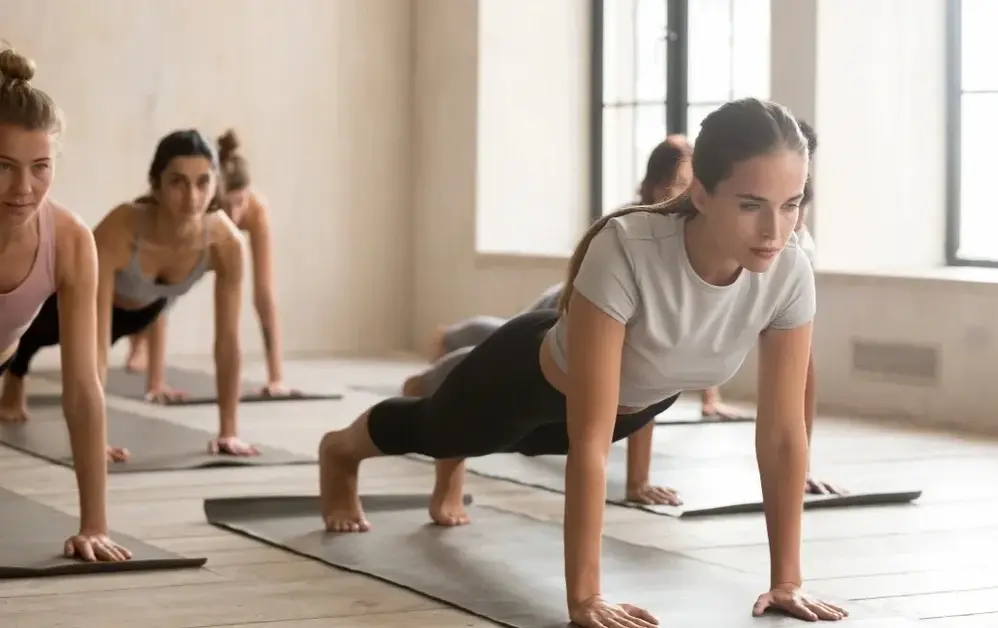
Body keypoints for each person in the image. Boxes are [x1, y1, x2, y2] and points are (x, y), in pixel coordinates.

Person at [318, 97, 847, 625]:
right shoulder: (629, 248)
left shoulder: (789, 273)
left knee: (470, 438)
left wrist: (787, 583)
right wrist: (585, 597)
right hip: (525, 382)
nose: (774, 231)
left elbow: (782, 433)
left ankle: (452, 455)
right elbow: (588, 441)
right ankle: (342, 453)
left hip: (631, 406)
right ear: (703, 194)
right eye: (751, 204)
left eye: (791, 204)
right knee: (434, 429)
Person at [410, 128, 841, 500]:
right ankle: (441, 356)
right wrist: (636, 481)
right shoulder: (635, 235)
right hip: (568, 305)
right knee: (493, 350)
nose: (776, 221)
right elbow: (647, 359)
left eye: (791, 203)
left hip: (607, 337)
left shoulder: (787, 252)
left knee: (506, 400)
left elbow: (703, 342)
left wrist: (712, 397)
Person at [1, 128, 261, 457]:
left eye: (202, 182)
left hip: (146, 310)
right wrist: (96, 441)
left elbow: (228, 342)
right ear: (157, 185)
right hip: (84, 298)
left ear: (215, 185)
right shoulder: (122, 228)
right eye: (178, 182)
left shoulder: (226, 244)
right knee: (34, 333)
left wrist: (229, 432)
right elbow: (93, 350)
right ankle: (15, 375)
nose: (192, 197)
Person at [0, 45, 132, 562]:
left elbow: (82, 387)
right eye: (3, 166)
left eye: (40, 167)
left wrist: (94, 525)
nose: (23, 188)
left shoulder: (71, 240)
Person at [123, 129, 292, 396]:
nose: (235, 213)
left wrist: (276, 378)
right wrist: (155, 384)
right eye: (228, 204)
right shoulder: (199, 209)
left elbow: (264, 294)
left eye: (241, 202)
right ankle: (139, 344)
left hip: (211, 249)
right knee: (147, 289)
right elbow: (161, 284)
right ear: (215, 197)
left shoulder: (257, 210)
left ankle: (277, 374)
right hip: (154, 271)